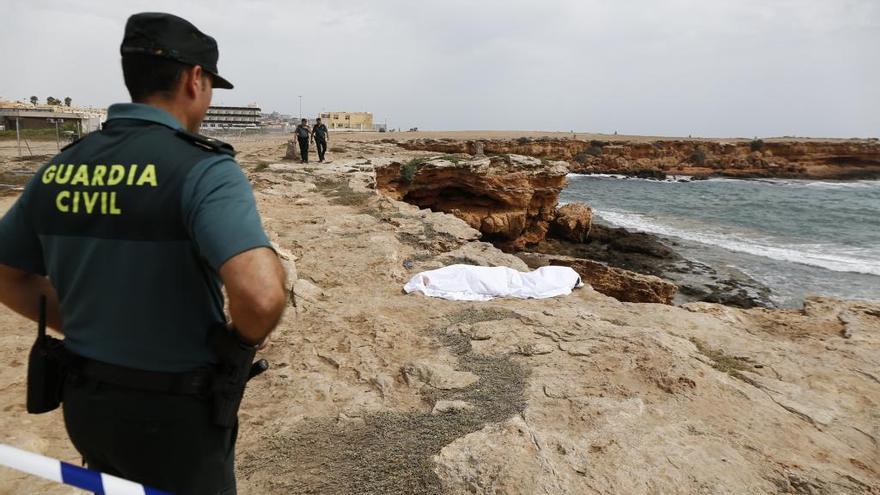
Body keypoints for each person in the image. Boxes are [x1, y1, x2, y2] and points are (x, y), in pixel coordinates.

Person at [0, 12, 287, 495]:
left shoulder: (61, 167)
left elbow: (7, 275)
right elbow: (259, 296)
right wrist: (238, 342)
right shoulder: (202, 169)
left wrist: (87, 325)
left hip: (87, 403)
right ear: (195, 79)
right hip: (174, 413)